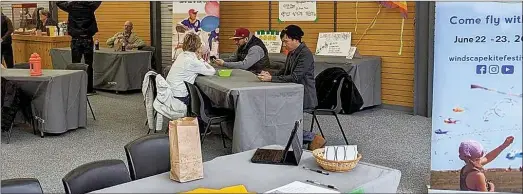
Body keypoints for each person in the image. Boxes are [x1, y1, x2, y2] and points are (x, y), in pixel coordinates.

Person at [257, 25, 317, 111]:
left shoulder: (305, 54)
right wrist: (270, 74)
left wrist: (271, 78)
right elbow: (285, 70)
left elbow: (295, 77)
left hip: (304, 95)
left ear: (296, 39)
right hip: (292, 91)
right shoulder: (292, 52)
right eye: (283, 42)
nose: (284, 45)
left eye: (286, 41)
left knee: (272, 105)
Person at [57, 1, 102, 94]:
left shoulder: (70, 6)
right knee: (89, 65)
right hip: (88, 39)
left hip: (76, 39)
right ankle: (89, 89)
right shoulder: (91, 6)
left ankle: (76, 88)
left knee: (75, 65)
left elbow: (58, 2)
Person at [166, 32, 216, 106]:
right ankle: (200, 115)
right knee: (204, 99)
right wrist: (201, 59)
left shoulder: (181, 55)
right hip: (180, 97)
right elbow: (212, 71)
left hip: (169, 94)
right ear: (198, 46)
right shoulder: (193, 61)